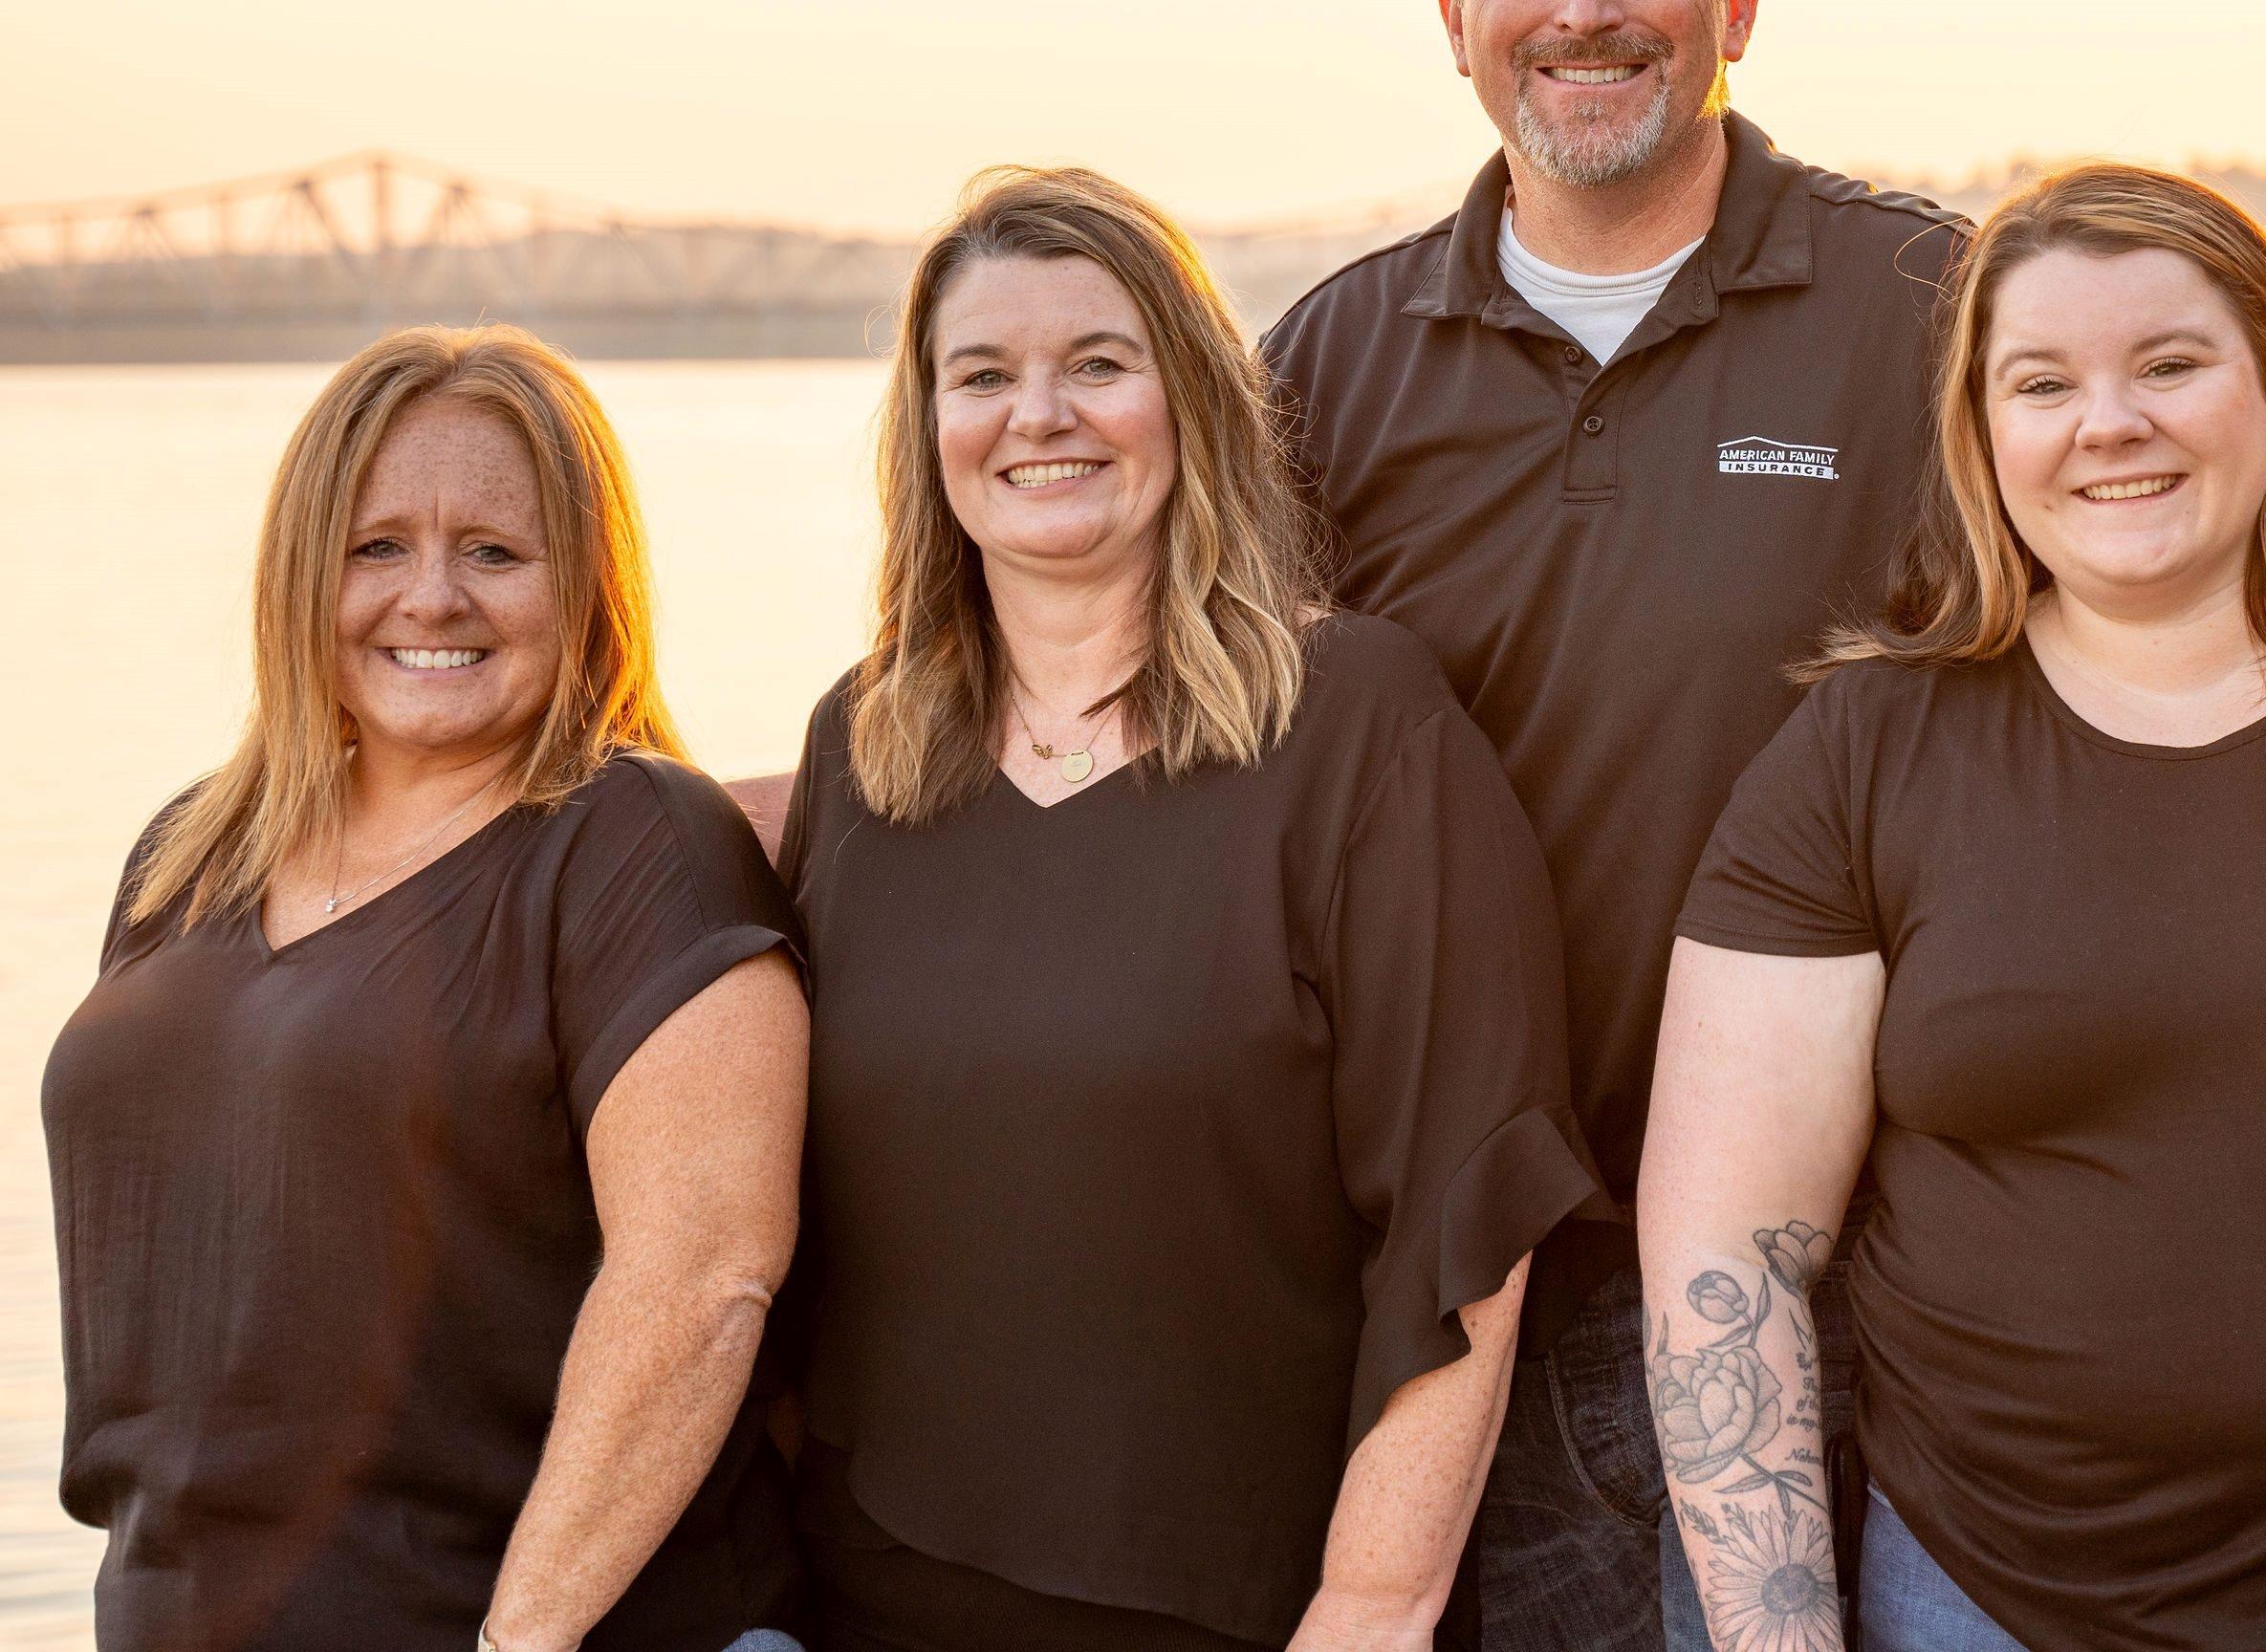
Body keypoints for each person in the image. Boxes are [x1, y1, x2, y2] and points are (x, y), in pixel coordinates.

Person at [1645, 163, 2266, 1651]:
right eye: (2043, 384)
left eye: (2170, 364)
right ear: (1982, 432)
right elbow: (1731, 1254)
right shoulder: (1867, 752)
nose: (2111, 424)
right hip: (1985, 1602)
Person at [1261, 0, 1963, 1647]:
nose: (1586, 11)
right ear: (1453, 15)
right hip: (1485, 1284)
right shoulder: (1334, 363)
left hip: (1863, 1270)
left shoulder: (1930, 314)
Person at [774, 165, 1604, 1652]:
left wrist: (1372, 1604)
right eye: (985, 375)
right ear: (932, 433)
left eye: (1100, 364)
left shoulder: (1357, 724)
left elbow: (1465, 1213)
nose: (1040, 416)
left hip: (1250, 1604)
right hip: (869, 1586)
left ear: (1193, 406)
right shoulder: (866, 748)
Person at [45, 325, 808, 1652]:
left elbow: (701, 1281)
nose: (433, 599)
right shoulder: (189, 854)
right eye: (377, 546)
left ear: (584, 587)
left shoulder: (636, 842)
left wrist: (523, 1640)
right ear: (301, 575)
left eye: (497, 553)